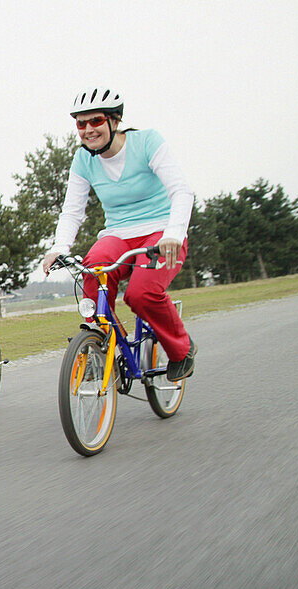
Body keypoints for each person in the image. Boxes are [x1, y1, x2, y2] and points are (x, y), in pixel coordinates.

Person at [41, 87, 196, 381]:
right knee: (92, 269)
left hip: (161, 232)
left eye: (95, 121)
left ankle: (181, 350)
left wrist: (174, 233)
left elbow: (181, 191)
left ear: (115, 121)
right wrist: (58, 247)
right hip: (117, 234)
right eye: (80, 123)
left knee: (140, 294)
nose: (88, 130)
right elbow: (72, 211)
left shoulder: (147, 142)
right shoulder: (83, 159)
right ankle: (102, 346)